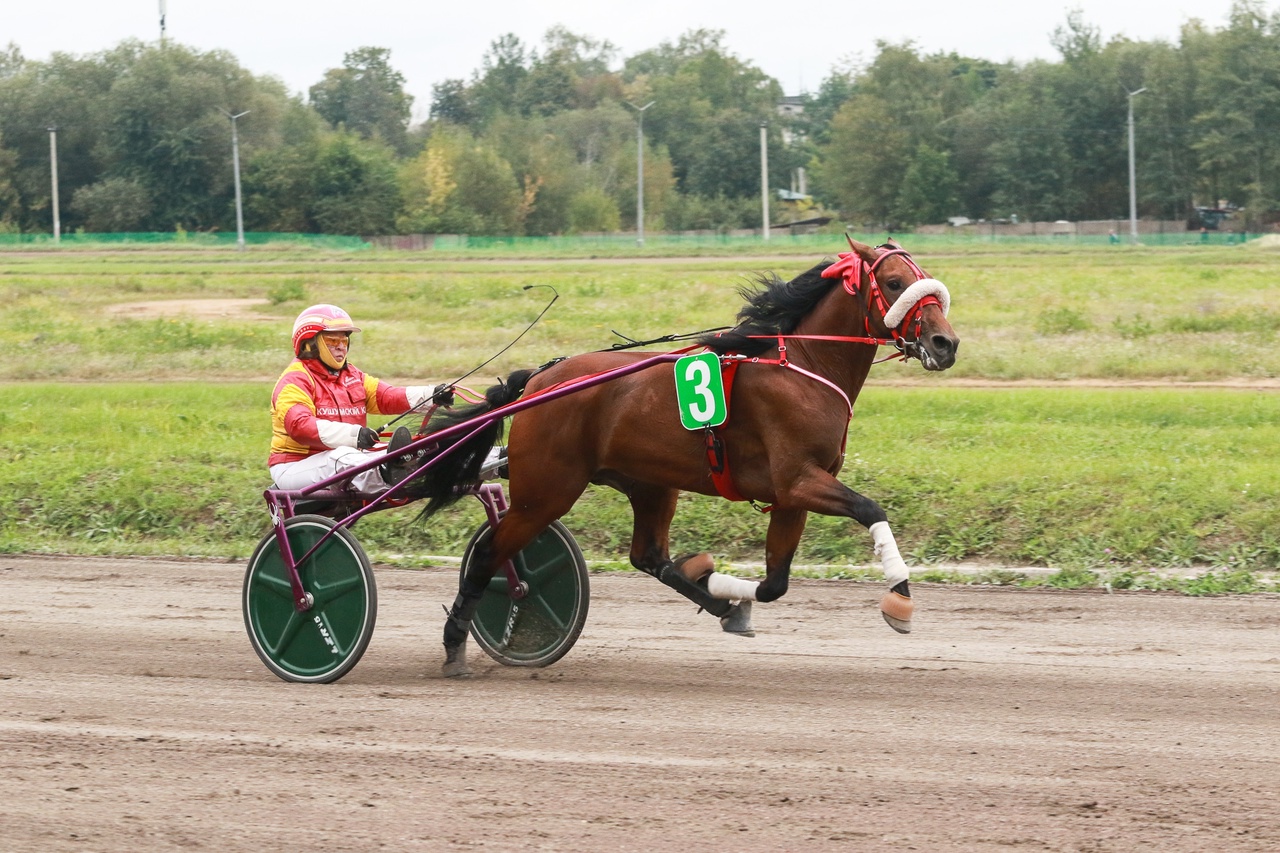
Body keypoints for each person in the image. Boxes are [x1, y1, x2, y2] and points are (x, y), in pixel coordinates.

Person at [268, 304, 452, 494]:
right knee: (341, 457)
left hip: (345, 457)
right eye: (332, 340)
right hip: (294, 466)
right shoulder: (294, 381)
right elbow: (300, 426)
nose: (341, 346)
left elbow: (386, 396)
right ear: (309, 343)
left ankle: (454, 468)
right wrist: (355, 435)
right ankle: (389, 476)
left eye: (344, 340)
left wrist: (431, 395)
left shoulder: (352, 375)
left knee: (403, 451)